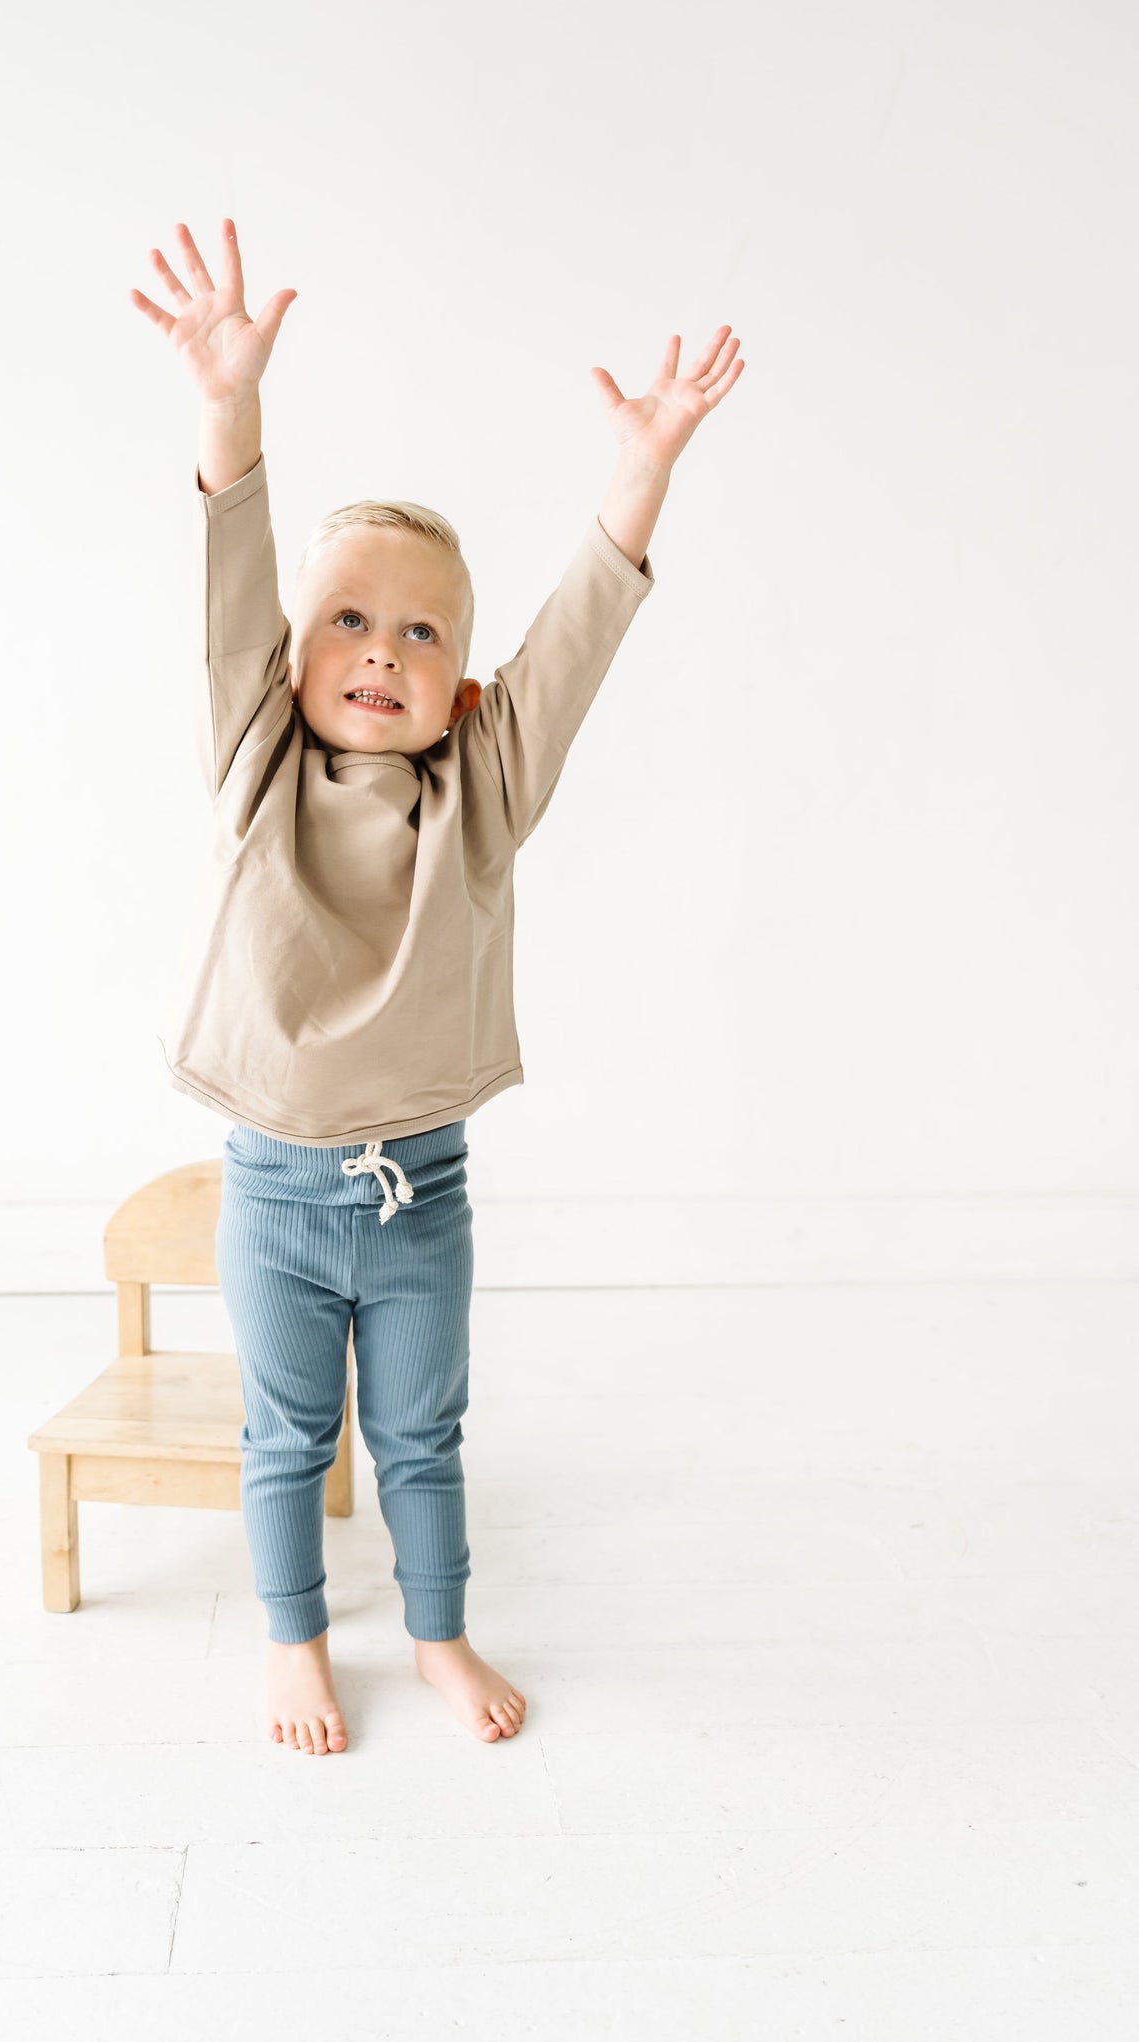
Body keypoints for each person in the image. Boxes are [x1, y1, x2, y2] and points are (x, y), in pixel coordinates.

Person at [131, 217, 744, 1756]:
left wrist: (641, 469)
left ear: (463, 682)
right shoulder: (254, 755)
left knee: (418, 1432)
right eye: (346, 618)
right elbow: (229, 577)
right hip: (272, 1189)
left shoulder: (486, 780)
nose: (380, 651)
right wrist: (228, 409)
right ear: (287, 657)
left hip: (422, 1190)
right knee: (285, 1436)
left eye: (419, 631)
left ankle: (438, 1631)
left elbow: (578, 641)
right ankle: (289, 1642)